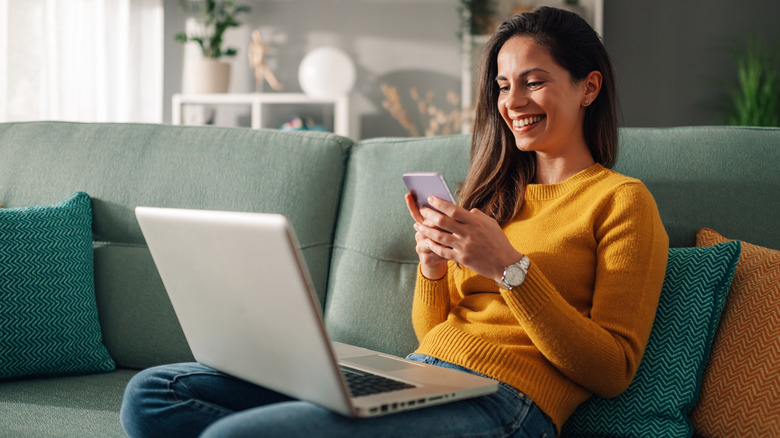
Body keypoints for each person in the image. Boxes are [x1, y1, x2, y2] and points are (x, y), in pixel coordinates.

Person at [120, 7, 668, 438]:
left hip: (508, 404)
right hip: (422, 376)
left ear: (588, 87)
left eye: (534, 81)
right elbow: (433, 335)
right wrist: (432, 269)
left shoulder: (621, 201)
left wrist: (511, 269)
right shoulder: (490, 198)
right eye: (503, 86)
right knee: (155, 394)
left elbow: (613, 370)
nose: (513, 101)